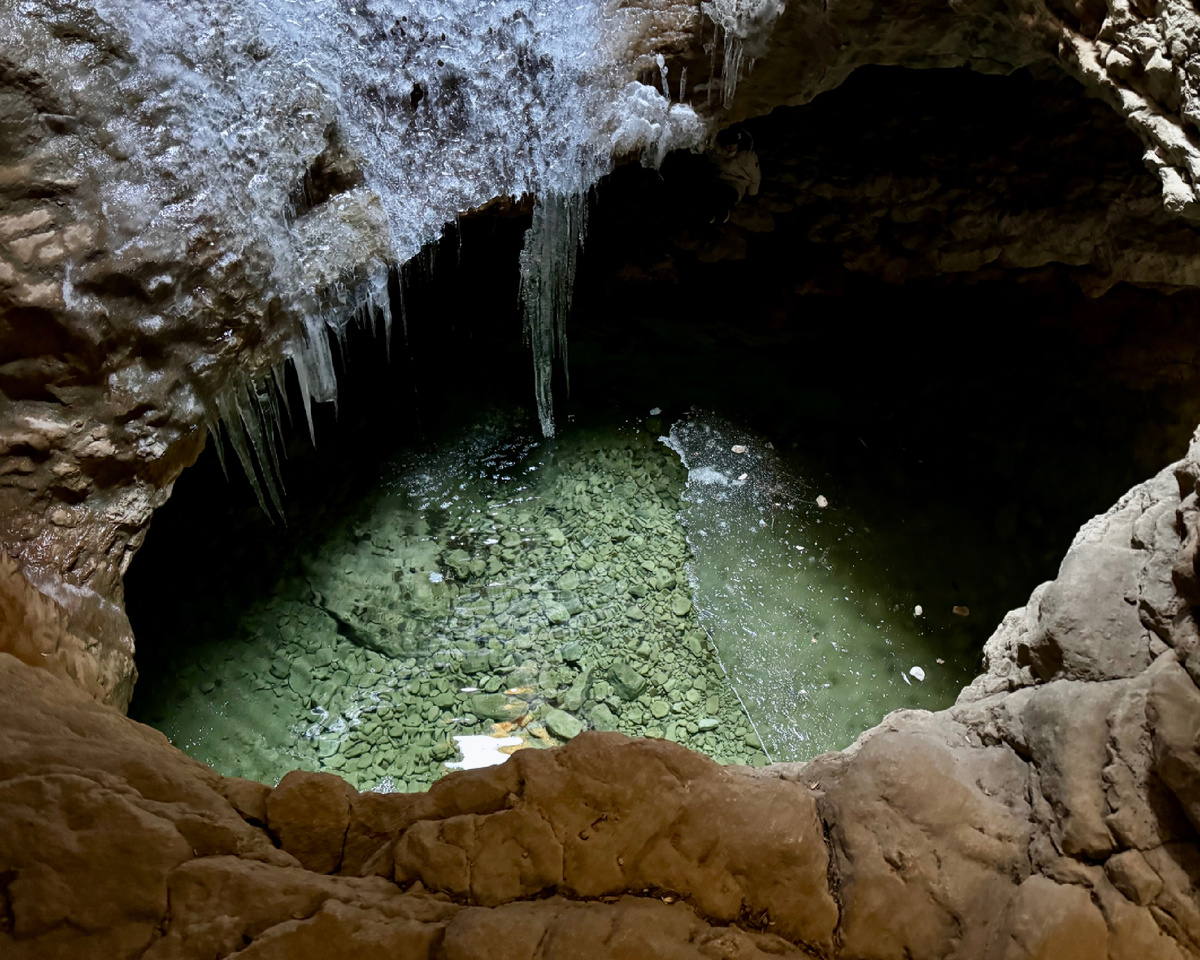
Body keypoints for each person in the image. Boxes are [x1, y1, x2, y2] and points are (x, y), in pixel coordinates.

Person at [705, 127, 760, 223]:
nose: (731, 146)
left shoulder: (747, 157)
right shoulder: (715, 150)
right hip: (717, 179)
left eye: (734, 143)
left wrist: (752, 195)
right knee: (709, 194)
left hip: (736, 183)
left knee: (727, 196)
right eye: (728, 143)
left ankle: (722, 214)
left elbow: (755, 177)